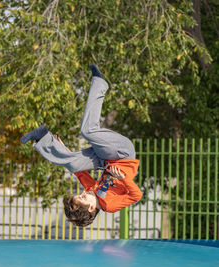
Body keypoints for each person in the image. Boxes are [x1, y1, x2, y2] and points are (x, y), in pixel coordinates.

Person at [20, 65, 142, 227]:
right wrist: (123, 179)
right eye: (83, 197)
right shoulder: (110, 205)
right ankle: (100, 83)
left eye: (80, 194)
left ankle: (41, 137)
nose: (84, 192)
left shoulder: (91, 190)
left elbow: (79, 172)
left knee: (73, 165)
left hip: (104, 160)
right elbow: (136, 196)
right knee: (87, 130)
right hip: (123, 154)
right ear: (92, 208)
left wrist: (63, 150)